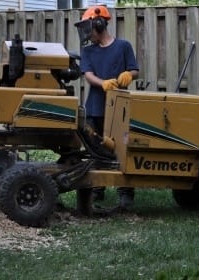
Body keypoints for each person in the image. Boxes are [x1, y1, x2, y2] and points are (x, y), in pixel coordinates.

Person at [76, 5, 139, 209]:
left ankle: (125, 192)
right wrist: (102, 82)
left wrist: (129, 75)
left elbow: (134, 70)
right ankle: (97, 189)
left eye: (89, 28)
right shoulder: (88, 51)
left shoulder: (123, 46)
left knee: (121, 148)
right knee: (96, 148)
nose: (87, 33)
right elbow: (88, 75)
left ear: (100, 24)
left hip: (119, 108)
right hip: (95, 107)